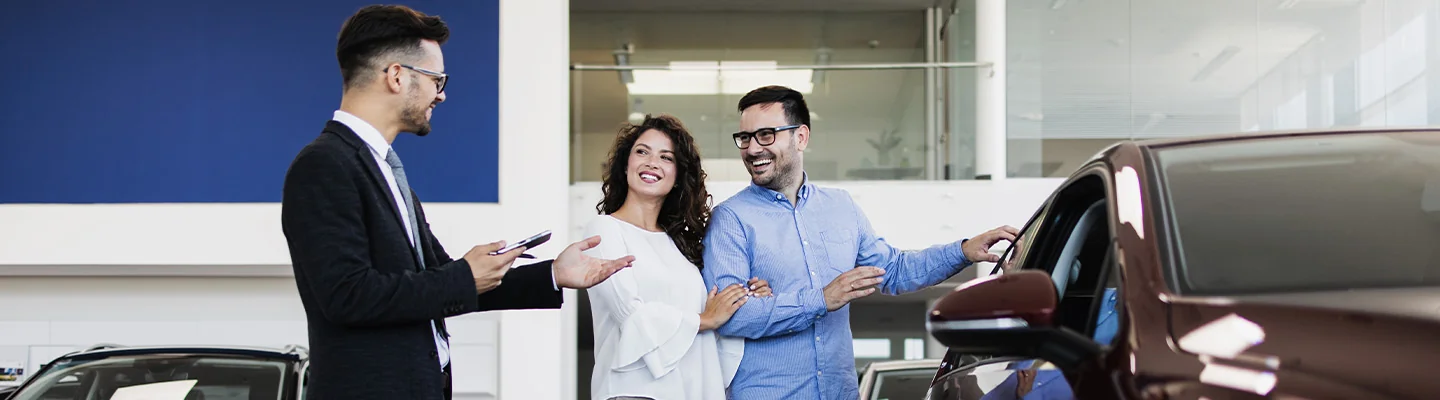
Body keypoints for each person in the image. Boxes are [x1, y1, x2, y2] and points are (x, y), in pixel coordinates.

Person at [280, 5, 633, 400]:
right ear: (397, 76)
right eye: (436, 79)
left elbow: (440, 279)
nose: (442, 94)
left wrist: (552, 273)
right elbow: (347, 296)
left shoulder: (385, 169)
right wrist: (465, 274)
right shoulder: (324, 165)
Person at [700, 85, 1020, 400]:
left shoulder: (842, 207)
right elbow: (733, 316)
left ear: (801, 137)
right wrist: (822, 299)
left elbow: (894, 271)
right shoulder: (730, 219)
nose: (753, 148)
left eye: (766, 135)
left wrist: (963, 251)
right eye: (745, 138)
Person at [582, 114, 775, 400]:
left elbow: (709, 318)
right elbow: (630, 313)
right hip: (635, 392)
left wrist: (746, 296)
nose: (652, 163)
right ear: (625, 165)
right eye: (642, 152)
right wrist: (704, 320)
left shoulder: (678, 245)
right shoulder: (605, 230)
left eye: (666, 157)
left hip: (689, 390)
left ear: (676, 177)